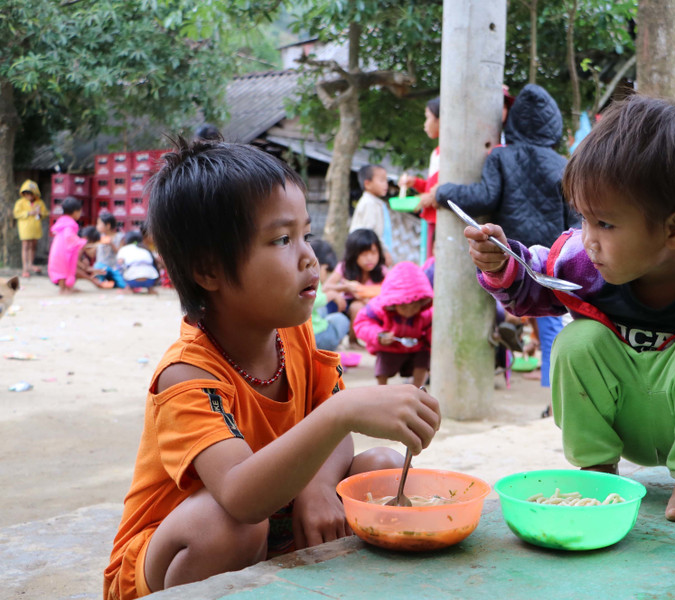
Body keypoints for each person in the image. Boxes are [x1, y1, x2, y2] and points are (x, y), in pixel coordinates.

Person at [103, 138, 441, 600]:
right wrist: (342, 410)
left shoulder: (294, 336)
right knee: (227, 527)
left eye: (305, 234)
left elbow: (337, 438)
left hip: (269, 525)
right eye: (282, 240)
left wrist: (319, 486)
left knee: (377, 470)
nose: (309, 257)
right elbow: (242, 495)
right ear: (208, 270)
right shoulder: (187, 375)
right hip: (171, 559)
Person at [462, 95, 675, 524]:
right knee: (577, 340)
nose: (588, 238)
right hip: (622, 418)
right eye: (584, 219)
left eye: (605, 224)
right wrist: (503, 263)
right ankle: (597, 469)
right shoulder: (585, 260)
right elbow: (535, 281)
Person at [434, 84, 579, 391]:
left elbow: (484, 197)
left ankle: (507, 331)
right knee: (552, 321)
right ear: (553, 126)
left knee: (502, 299)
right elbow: (574, 220)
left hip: (510, 251)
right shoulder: (563, 165)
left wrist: (443, 192)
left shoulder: (501, 158)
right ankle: (552, 389)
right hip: (547, 254)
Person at [353, 261, 432, 387]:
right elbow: (362, 322)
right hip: (388, 348)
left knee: (424, 357)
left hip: (416, 348)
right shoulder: (378, 308)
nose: (409, 311)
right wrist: (378, 335)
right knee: (383, 361)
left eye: (415, 306)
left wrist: (430, 340)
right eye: (404, 307)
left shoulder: (426, 313)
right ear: (394, 303)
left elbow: (432, 329)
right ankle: (382, 389)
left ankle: (418, 389)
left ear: (422, 302)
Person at [322, 228, 388, 344]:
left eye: (373, 253)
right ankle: (353, 341)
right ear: (354, 254)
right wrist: (345, 288)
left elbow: (390, 292)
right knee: (356, 306)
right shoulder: (344, 267)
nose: (369, 258)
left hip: (374, 307)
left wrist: (367, 299)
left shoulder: (382, 271)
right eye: (364, 254)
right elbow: (326, 287)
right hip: (345, 308)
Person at [349, 164, 420, 265]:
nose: (386, 184)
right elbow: (370, 233)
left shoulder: (376, 203)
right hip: (367, 253)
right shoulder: (369, 203)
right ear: (367, 184)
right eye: (382, 180)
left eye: (386, 180)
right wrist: (383, 252)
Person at [398, 96, 441, 258]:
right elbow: (432, 187)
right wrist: (415, 182)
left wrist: (423, 199)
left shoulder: (448, 153)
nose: (425, 124)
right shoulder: (436, 153)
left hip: (439, 220)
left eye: (428, 118)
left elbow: (437, 192)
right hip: (430, 218)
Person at [309, 239, 350, 352]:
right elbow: (310, 300)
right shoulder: (311, 278)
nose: (326, 275)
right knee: (342, 320)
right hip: (315, 336)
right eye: (326, 270)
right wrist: (330, 295)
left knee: (326, 314)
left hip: (307, 334)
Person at [47, 196, 87, 294]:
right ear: (75, 212)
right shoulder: (70, 224)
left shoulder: (62, 221)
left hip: (59, 249)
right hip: (64, 250)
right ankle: (63, 289)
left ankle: (67, 288)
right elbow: (69, 236)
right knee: (64, 269)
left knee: (64, 269)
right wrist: (80, 242)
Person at [13, 179, 48, 278]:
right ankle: (25, 268)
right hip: (25, 229)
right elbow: (16, 214)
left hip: (35, 228)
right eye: (26, 193)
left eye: (30, 193)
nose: (28, 196)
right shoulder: (20, 202)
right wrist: (28, 213)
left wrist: (40, 213)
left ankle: (30, 264)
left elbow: (45, 213)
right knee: (25, 246)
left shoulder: (39, 202)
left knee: (33, 246)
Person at [94, 211, 127, 288]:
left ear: (108, 226)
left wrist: (111, 244)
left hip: (115, 266)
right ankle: (107, 282)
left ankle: (112, 282)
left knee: (123, 285)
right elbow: (92, 253)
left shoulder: (120, 237)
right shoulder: (98, 237)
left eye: (99, 224)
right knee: (98, 270)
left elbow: (121, 253)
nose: (97, 226)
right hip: (102, 265)